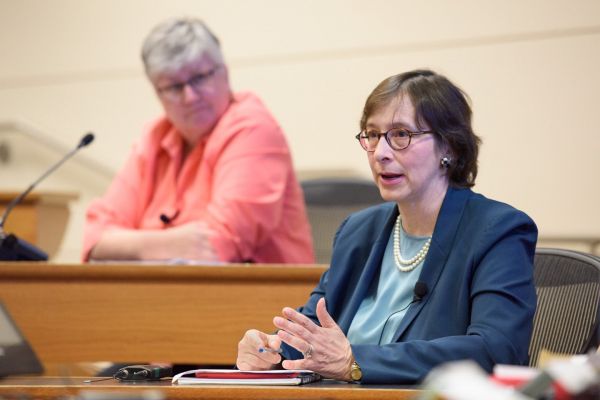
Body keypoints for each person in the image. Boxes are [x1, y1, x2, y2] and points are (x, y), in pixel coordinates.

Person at [236, 69, 538, 384]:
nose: (380, 153)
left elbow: (497, 350)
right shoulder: (358, 230)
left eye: (401, 135)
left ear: (449, 147)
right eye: (372, 134)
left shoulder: (497, 230)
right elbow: (315, 328)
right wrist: (271, 349)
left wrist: (355, 360)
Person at [82, 17, 314, 264]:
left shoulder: (253, 129)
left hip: (262, 299)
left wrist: (130, 244)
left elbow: (215, 247)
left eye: (199, 78)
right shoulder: (154, 137)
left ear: (224, 71)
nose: (190, 97)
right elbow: (94, 236)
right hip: (168, 295)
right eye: (173, 86)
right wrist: (173, 243)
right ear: (157, 92)